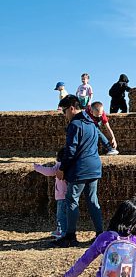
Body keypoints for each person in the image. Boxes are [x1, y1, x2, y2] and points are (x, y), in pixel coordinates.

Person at [53, 94, 103, 248]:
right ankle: (100, 235)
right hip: (94, 167)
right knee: (92, 201)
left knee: (71, 200)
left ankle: (70, 236)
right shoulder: (92, 123)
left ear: (72, 108)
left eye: (64, 111)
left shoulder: (75, 125)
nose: (64, 115)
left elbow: (71, 150)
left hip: (80, 169)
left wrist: (62, 168)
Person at [33, 148, 67, 239]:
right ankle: (66, 230)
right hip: (71, 194)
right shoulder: (73, 165)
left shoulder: (60, 165)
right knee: (67, 214)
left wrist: (37, 167)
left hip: (62, 195)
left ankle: (61, 231)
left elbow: (49, 172)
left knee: (61, 215)